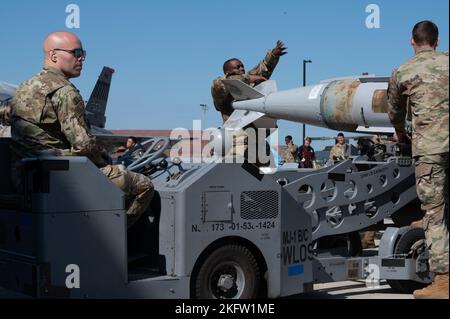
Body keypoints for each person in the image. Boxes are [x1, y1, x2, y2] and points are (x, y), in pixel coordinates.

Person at [10, 31, 153, 228]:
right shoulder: (65, 92)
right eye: (76, 52)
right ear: (53, 56)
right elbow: (84, 146)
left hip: (22, 175)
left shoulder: (23, 88)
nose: (81, 58)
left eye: (83, 53)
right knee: (145, 186)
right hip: (58, 178)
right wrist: (107, 159)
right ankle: (114, 236)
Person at [387, 20, 448, 299]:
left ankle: (443, 283)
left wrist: (401, 133)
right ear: (437, 41)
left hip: (429, 151)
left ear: (411, 41)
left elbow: (395, 113)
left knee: (434, 216)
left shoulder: (403, 71)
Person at [211, 41, 287, 165]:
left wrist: (273, 55)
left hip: (256, 138)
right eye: (237, 67)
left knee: (265, 174)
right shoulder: (221, 88)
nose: (242, 68)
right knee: (237, 173)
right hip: (237, 139)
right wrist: (248, 78)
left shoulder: (245, 84)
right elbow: (219, 83)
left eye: (242, 66)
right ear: (228, 72)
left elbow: (261, 71)